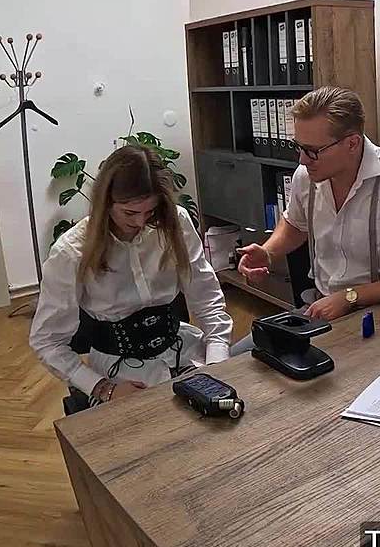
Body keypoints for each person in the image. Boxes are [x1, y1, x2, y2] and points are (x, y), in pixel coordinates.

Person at [30, 144, 232, 404]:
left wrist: (216, 360)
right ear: (106, 203)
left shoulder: (174, 222)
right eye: (130, 212)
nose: (140, 222)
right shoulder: (71, 252)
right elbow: (47, 341)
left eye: (150, 211)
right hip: (119, 375)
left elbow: (207, 298)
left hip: (186, 352)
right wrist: (102, 388)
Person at [236, 86, 380, 322]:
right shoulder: (306, 176)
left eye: (313, 151)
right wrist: (268, 252)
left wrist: (350, 297)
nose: (302, 159)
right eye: (299, 146)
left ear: (352, 143)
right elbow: (295, 223)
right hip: (321, 306)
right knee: (254, 343)